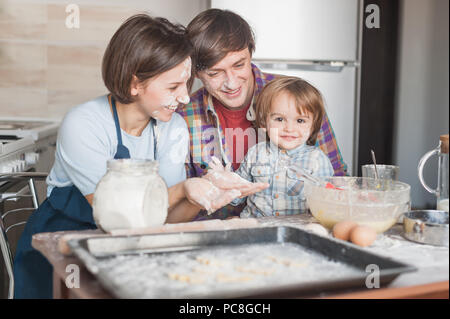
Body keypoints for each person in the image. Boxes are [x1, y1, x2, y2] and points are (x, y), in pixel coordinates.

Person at [12, 13, 263, 299]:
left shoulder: (174, 127)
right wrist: (181, 189)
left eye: (186, 84)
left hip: (128, 250)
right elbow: (114, 214)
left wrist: (197, 197)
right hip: (60, 252)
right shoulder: (84, 123)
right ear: (135, 84)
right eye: (173, 87)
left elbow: (165, 221)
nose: (184, 98)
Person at [177, 9, 348, 220]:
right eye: (214, 73)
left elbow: (338, 180)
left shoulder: (295, 99)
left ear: (251, 52)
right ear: (195, 72)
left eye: (239, 65)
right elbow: (180, 203)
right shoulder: (184, 116)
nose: (231, 83)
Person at [228, 76, 334, 218]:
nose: (289, 128)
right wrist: (225, 182)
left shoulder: (317, 160)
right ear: (264, 123)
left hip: (296, 231)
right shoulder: (256, 154)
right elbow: (236, 197)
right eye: (279, 119)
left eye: (300, 120)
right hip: (255, 227)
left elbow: (327, 205)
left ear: (313, 126)